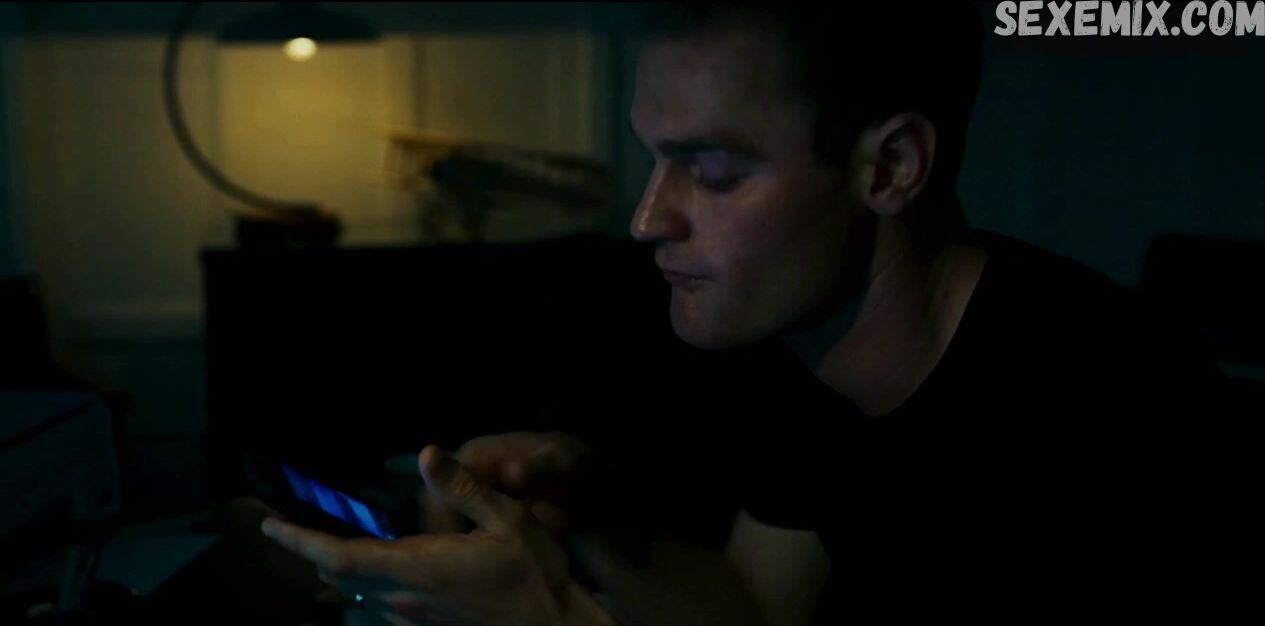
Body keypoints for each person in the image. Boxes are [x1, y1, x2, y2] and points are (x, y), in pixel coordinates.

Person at [262, 3, 1240, 624]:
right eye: (656, 160)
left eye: (715, 172)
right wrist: (589, 525)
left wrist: (552, 613)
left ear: (889, 167)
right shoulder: (802, 340)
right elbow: (758, 610)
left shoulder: (1107, 411)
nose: (650, 218)